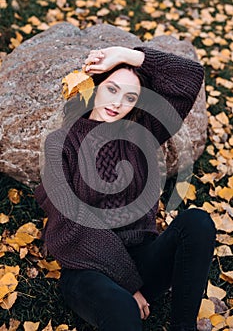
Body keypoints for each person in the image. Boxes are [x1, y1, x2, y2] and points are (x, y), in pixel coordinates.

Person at [35, 46, 216, 331]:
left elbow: (191, 76)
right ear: (95, 87)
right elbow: (74, 225)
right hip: (87, 267)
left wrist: (126, 55)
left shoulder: (141, 133)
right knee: (121, 308)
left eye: (129, 97)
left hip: (142, 255)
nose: (117, 103)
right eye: (112, 89)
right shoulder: (61, 144)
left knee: (198, 222)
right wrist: (130, 286)